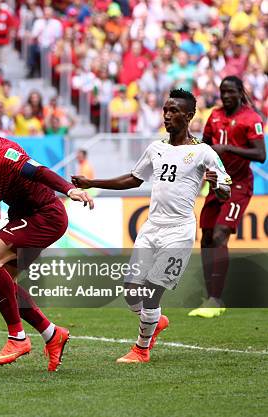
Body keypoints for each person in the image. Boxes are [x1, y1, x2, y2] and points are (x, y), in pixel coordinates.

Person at [73, 89, 232, 363]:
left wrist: (218, 184)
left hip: (178, 232)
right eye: (165, 110)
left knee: (150, 293)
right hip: (151, 228)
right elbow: (134, 179)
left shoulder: (203, 152)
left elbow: (226, 189)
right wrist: (92, 183)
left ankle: (141, 349)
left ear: (190, 116)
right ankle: (154, 321)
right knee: (130, 291)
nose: (167, 116)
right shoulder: (155, 148)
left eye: (174, 111)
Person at [0, 99, 93, 371]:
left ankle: (17, 337)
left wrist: (69, 190)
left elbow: (37, 170)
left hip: (45, 215)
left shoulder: (0, 151)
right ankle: (52, 334)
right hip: (23, 218)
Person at [190, 76, 266, 318]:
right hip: (216, 184)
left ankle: (215, 298)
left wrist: (228, 149)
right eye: (223, 91)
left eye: (230, 92)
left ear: (239, 93)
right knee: (207, 237)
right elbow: (205, 146)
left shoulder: (250, 118)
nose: (226, 96)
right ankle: (210, 294)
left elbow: (261, 154)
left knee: (221, 233)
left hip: (239, 185)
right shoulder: (214, 115)